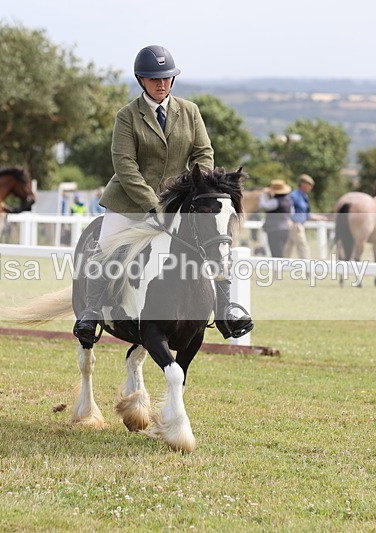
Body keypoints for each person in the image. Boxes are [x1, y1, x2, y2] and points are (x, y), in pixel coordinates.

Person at [72, 44, 253, 345]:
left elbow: (203, 152)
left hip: (177, 200)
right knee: (104, 246)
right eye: (154, 79)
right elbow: (125, 165)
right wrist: (151, 203)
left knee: (213, 245)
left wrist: (200, 185)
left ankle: (226, 311)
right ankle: (91, 312)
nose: (161, 84)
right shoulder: (127, 116)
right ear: (141, 80)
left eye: (167, 78)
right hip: (129, 200)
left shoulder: (189, 111)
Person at [284, 174, 327, 259]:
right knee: (303, 247)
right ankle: (308, 270)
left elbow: (305, 214)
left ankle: (278, 269)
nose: (311, 187)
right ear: (303, 184)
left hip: (299, 225)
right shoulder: (294, 196)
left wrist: (319, 217)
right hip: (295, 225)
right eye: (309, 185)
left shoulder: (304, 197)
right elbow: (286, 210)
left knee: (287, 248)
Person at [258, 179, 293, 257]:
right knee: (281, 251)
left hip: (275, 230)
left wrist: (263, 195)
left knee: (276, 254)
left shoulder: (275, 201)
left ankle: (277, 269)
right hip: (285, 229)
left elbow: (263, 206)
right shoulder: (288, 200)